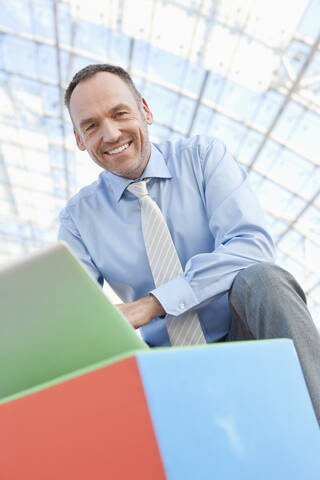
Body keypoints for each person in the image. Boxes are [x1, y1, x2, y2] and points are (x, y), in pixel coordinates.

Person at [58, 63, 320, 423]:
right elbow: (72, 313)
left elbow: (251, 245)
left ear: (145, 111)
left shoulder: (202, 158)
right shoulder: (78, 218)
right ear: (78, 139)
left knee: (264, 280)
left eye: (120, 114)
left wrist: (154, 304)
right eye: (91, 126)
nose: (111, 133)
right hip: (161, 364)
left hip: (240, 335)